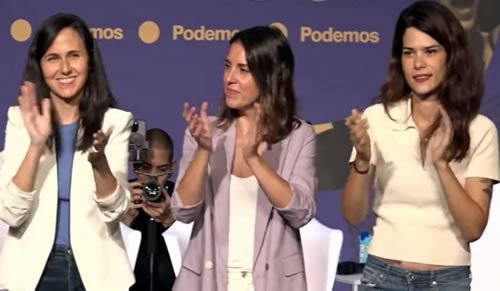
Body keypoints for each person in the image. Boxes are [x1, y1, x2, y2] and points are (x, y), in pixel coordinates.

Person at [342, 1, 499, 290]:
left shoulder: (480, 129)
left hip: (448, 279)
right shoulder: (378, 118)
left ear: (451, 57)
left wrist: (442, 165)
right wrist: (362, 162)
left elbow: (474, 228)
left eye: (430, 51)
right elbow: (353, 215)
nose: (418, 64)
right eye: (408, 53)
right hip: (383, 276)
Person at [171, 26, 317, 291]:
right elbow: (182, 211)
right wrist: (205, 150)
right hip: (209, 282)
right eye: (228, 66)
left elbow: (301, 213)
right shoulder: (207, 131)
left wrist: (254, 159)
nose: (230, 78)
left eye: (243, 70)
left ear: (270, 76)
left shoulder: (298, 135)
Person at [0, 13, 134, 291]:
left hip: (98, 274)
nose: (64, 68)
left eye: (74, 55)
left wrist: (100, 165)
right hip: (32, 272)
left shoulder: (116, 122)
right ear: (39, 65)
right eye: (53, 58)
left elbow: (117, 212)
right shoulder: (19, 119)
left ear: (90, 61)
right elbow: (10, 212)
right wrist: (36, 145)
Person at [121, 128, 192, 291]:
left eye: (161, 170)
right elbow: (103, 258)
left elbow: (198, 255)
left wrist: (170, 220)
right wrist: (125, 220)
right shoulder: (120, 196)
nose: (153, 178)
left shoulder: (184, 200)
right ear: (136, 164)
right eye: (146, 168)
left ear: (172, 167)